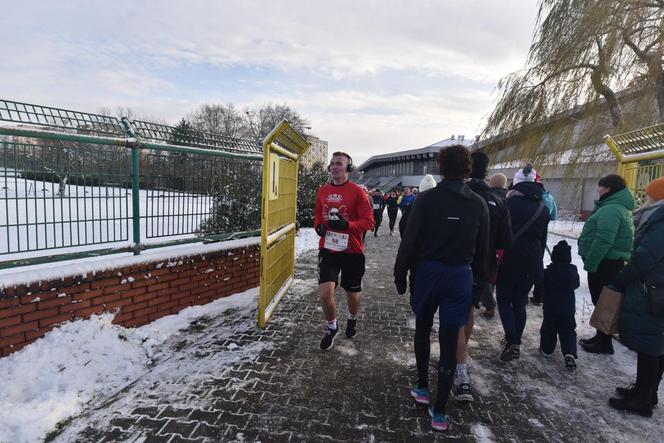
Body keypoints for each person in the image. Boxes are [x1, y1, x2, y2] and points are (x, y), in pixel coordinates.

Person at [394, 145, 489, 432]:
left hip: (428, 272)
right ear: (468, 169)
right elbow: (482, 251)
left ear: (441, 167)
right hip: (460, 275)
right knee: (450, 338)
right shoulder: (478, 204)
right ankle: (441, 411)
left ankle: (422, 386)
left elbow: (410, 241)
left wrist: (400, 274)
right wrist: (479, 288)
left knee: (423, 327)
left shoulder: (426, 200)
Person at [454, 151, 512, 401]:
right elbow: (505, 241)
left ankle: (457, 360)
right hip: (483, 266)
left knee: (454, 312)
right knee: (467, 310)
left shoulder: (458, 195)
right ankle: (461, 355)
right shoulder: (499, 201)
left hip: (456, 262)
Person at [608, 177, 664, 417]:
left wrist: (623, 278)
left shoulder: (661, 220)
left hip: (652, 289)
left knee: (650, 344)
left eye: (650, 193)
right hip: (656, 288)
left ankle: (642, 399)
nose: (646, 197)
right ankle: (647, 391)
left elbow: (645, 256)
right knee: (656, 343)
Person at [314, 152, 374, 351]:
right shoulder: (322, 190)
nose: (334, 167)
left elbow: (369, 222)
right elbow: (317, 216)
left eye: (339, 164)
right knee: (324, 293)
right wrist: (318, 227)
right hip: (328, 248)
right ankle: (332, 326)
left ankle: (352, 317)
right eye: (331, 164)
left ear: (348, 168)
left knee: (352, 294)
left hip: (352, 250)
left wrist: (346, 224)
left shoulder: (357, 192)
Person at [497, 165, 550, 361]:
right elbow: (543, 240)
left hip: (509, 259)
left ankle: (512, 340)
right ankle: (515, 340)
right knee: (520, 302)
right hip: (532, 261)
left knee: (503, 299)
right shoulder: (543, 209)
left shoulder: (507, 204)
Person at [578, 174, 635, 355]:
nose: (598, 189)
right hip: (610, 262)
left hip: (605, 263)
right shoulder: (617, 207)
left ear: (609, 188)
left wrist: (591, 263)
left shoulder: (611, 209)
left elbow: (604, 240)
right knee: (604, 301)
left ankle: (604, 343)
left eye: (600, 186)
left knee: (603, 301)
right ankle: (601, 337)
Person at [539, 240, 580, 370]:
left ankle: (547, 349)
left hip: (551, 307)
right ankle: (569, 353)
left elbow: (542, 285)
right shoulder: (573, 270)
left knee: (549, 328)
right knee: (568, 331)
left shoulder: (549, 271)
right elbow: (576, 284)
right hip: (568, 308)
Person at [530, 174, 559, 306]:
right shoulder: (549, 198)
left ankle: (523, 292)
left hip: (524, 235)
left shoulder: (529, 197)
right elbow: (553, 216)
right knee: (537, 262)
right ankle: (538, 295)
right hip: (542, 236)